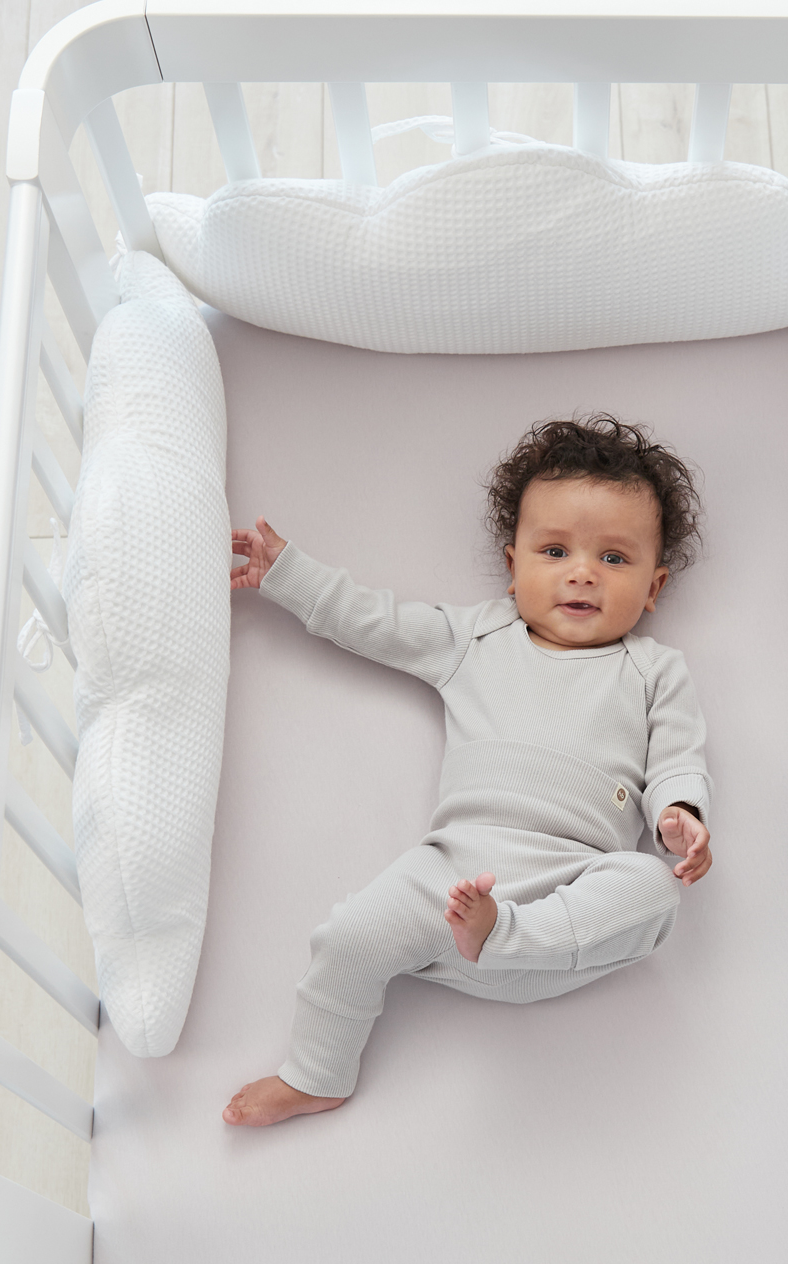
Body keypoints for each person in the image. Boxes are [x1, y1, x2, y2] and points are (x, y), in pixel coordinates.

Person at [222, 414, 713, 1127]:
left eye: (613, 558)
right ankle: (317, 1074)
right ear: (513, 567)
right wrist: (289, 575)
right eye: (555, 551)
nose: (581, 572)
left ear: (654, 586)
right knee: (350, 934)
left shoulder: (653, 670)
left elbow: (677, 756)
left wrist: (678, 816)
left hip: (567, 903)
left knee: (654, 886)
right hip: (455, 882)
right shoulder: (476, 638)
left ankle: (504, 933)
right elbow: (377, 622)